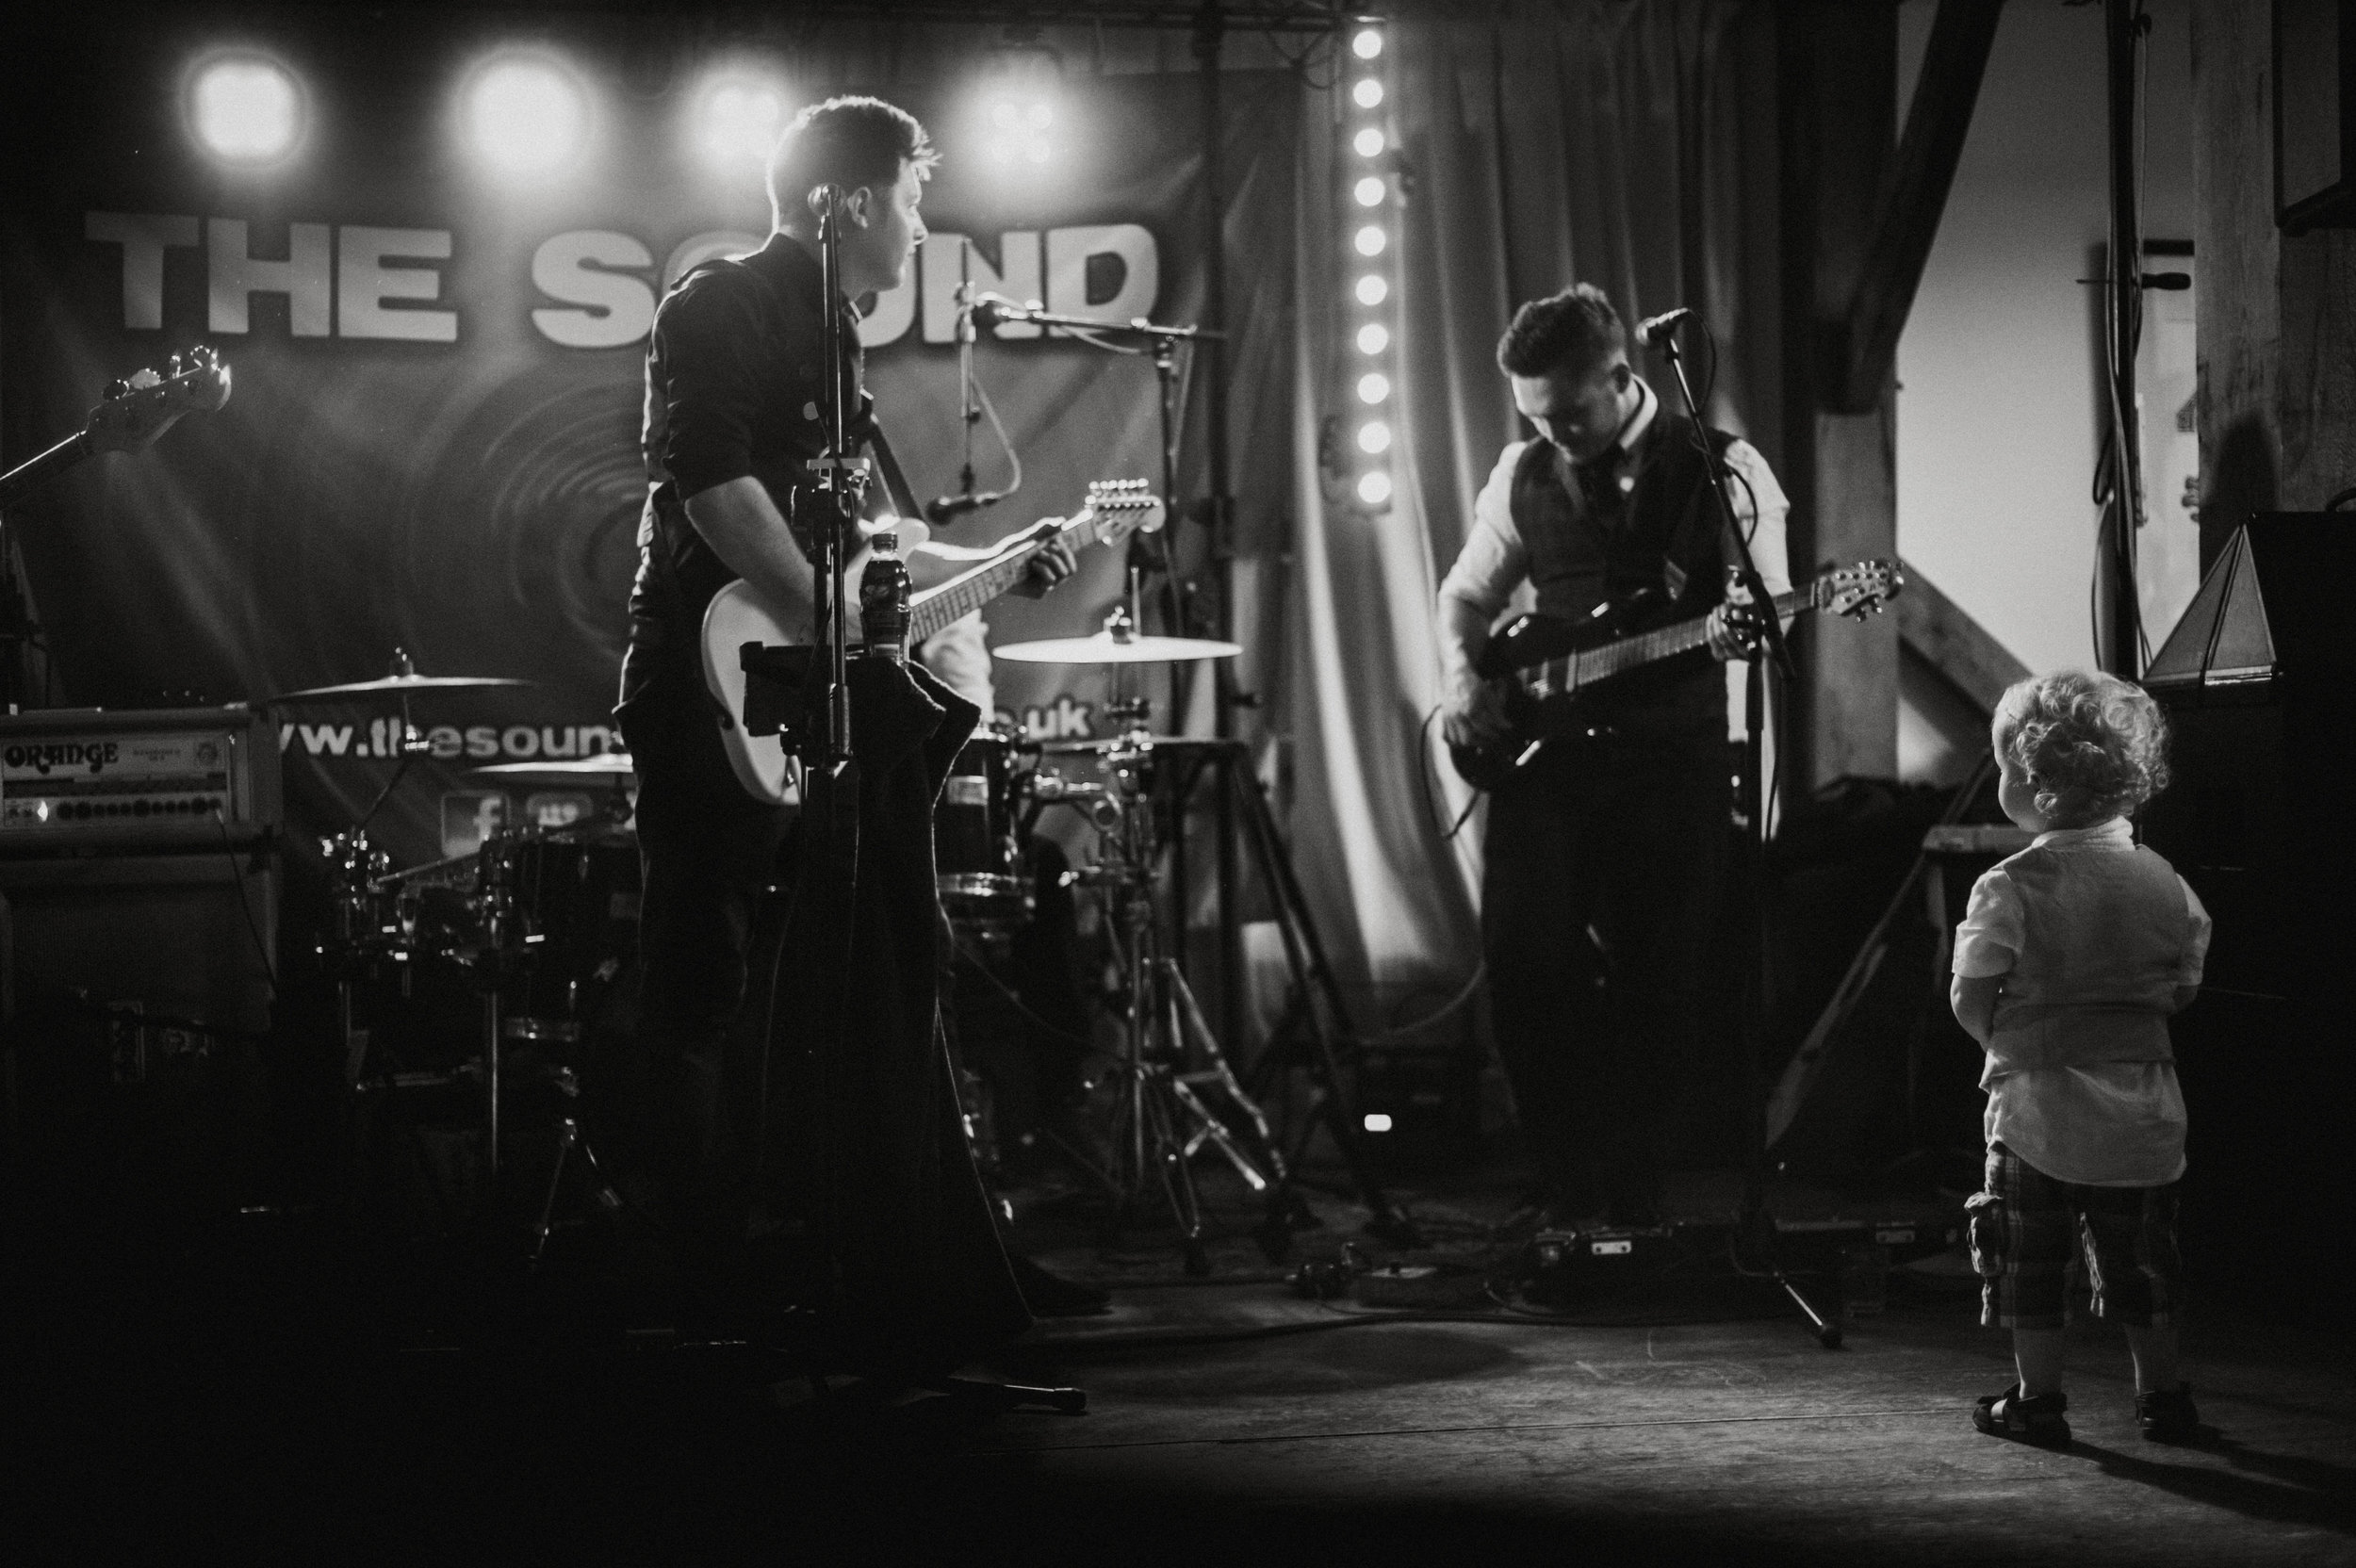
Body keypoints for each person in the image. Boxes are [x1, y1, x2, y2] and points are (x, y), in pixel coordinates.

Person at [615, 95, 1070, 1266]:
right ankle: (691, 1273)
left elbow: (862, 535)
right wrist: (825, 618)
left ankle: (807, 1253)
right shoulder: (718, 301)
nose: (920, 227)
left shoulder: (839, 335)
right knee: (700, 975)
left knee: (810, 986)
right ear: (853, 199)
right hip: (707, 677)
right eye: (913, 199)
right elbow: (710, 483)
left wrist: (991, 569)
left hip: (805, 688)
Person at [1435, 284, 1788, 1231]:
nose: (1554, 434)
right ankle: (1564, 1179)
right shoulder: (1522, 470)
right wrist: (1468, 688)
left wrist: (1735, 632)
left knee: (1656, 981)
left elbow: (1771, 609)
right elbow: (1463, 598)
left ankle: (1633, 1196)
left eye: (1569, 413)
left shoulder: (1725, 469)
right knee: (1522, 960)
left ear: (1622, 378)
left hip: (1666, 762)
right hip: (1546, 762)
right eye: (1535, 417)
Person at [1951, 671, 2208, 1447]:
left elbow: (1969, 996)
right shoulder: (2169, 884)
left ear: (2034, 784)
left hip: (2037, 1115)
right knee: (2144, 1268)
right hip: (2142, 1113)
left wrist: (2008, 1044)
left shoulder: (2009, 888)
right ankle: (2162, 1398)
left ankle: (2039, 1401)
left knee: (2030, 1265)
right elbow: (2181, 989)